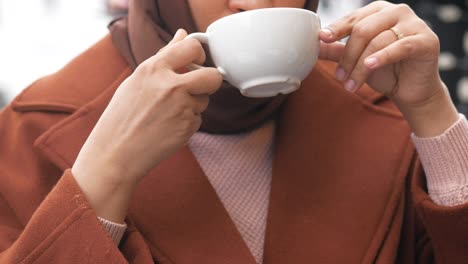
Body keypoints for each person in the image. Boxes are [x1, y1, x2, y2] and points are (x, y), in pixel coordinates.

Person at [0, 0, 467, 263]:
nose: (251, 1)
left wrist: (432, 112)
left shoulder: (383, 107)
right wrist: (106, 176)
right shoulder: (31, 128)